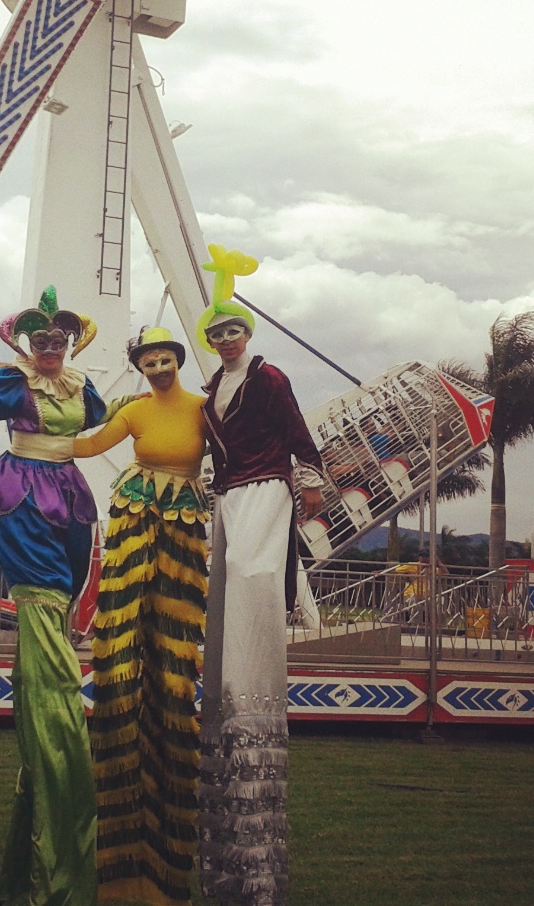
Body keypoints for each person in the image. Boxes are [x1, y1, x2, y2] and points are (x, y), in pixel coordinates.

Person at [0, 286, 135, 906]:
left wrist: (154, 402)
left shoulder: (80, 387)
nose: (50, 348)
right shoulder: (15, 383)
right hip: (24, 492)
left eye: (58, 340)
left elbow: (104, 415)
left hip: (70, 493)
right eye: (41, 340)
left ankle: (48, 800)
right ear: (27, 344)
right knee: (43, 602)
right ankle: (58, 758)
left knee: (63, 599)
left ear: (69, 344)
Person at [195, 247, 324, 906]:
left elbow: (298, 433)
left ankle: (253, 696)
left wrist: (311, 480)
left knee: (252, 581)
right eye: (216, 332)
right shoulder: (209, 393)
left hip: (267, 489)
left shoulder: (268, 378)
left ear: (247, 333)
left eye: (233, 330)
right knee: (225, 599)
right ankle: (226, 702)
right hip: (226, 497)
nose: (226, 339)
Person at [72, 326, 210, 905]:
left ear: (178, 360)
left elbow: (241, 449)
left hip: (182, 525)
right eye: (149, 362)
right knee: (126, 640)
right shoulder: (133, 410)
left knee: (172, 649)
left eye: (164, 359)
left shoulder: (203, 408)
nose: (158, 368)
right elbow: (88, 446)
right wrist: (36, 429)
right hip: (135, 518)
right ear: (142, 367)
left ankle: (168, 825)